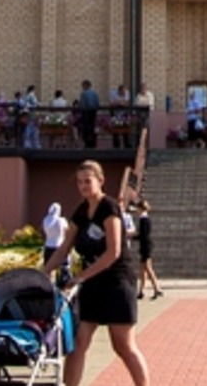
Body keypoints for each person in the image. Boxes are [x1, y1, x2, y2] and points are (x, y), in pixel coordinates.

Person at [44, 160, 150, 386]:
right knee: (78, 342)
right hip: (92, 282)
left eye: (88, 181)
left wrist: (79, 277)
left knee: (122, 344)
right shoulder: (81, 211)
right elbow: (64, 248)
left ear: (100, 181)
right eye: (79, 182)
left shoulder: (109, 208)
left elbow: (113, 252)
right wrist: (43, 272)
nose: (83, 186)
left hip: (117, 280)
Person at [133, 200, 163, 300]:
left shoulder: (144, 219)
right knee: (142, 270)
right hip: (144, 246)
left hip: (145, 247)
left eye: (137, 208)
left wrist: (131, 236)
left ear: (141, 208)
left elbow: (143, 235)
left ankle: (157, 288)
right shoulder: (144, 219)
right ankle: (141, 291)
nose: (136, 210)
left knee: (148, 268)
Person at [41, 202, 70, 284]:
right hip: (59, 245)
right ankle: (63, 283)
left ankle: (49, 283)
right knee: (64, 267)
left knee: (48, 267)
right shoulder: (61, 220)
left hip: (48, 245)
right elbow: (67, 231)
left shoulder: (46, 220)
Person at [77, 80, 102, 149]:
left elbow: (82, 104)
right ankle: (93, 143)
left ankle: (87, 143)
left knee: (86, 128)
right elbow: (97, 103)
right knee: (92, 127)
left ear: (85, 86)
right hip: (93, 112)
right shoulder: (95, 93)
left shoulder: (84, 93)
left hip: (86, 112)